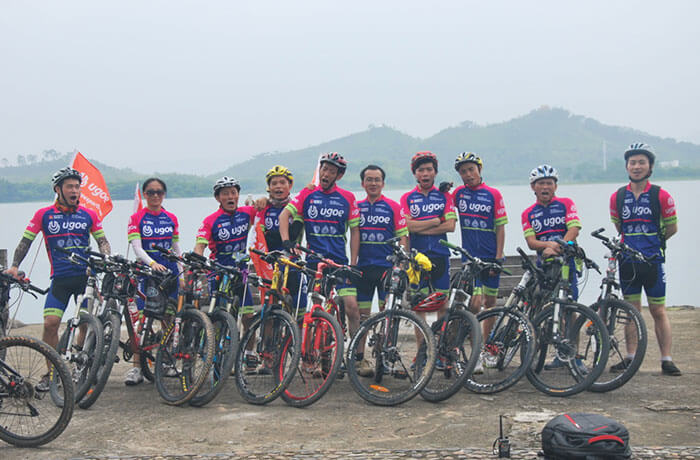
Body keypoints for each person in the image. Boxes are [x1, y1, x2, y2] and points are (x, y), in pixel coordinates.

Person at [4, 167, 111, 390]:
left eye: (77, 186)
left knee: (85, 324)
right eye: (69, 186)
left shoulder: (89, 214)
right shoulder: (43, 215)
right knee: (50, 324)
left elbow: (102, 241)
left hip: (85, 279)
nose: (75, 191)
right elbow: (26, 242)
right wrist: (15, 266)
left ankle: (78, 366)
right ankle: (51, 372)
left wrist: (106, 258)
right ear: (58, 189)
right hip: (60, 280)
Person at [278, 152, 361, 366]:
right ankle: (320, 358)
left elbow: (354, 233)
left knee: (351, 306)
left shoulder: (347, 198)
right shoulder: (308, 193)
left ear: (338, 175)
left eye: (331, 171)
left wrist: (353, 262)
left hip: (339, 261)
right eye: (324, 169)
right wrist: (287, 242)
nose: (326, 173)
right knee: (317, 309)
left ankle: (357, 357)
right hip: (315, 262)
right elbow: (283, 216)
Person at [609, 143, 680, 376]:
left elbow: (672, 228)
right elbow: (620, 227)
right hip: (628, 261)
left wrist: (653, 244)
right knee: (631, 310)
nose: (636, 166)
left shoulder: (661, 195)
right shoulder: (618, 196)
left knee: (658, 310)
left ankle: (666, 359)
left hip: (653, 261)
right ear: (627, 166)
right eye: (632, 162)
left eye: (641, 162)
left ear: (650, 166)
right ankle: (630, 356)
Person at [521, 164, 582, 370]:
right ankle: (546, 354)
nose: (545, 187)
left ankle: (574, 356)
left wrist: (557, 246)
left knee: (569, 308)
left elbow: (574, 229)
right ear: (533, 187)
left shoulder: (566, 204)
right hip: (543, 268)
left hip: (566, 265)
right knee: (540, 310)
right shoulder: (528, 213)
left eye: (549, 183)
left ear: (555, 186)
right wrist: (550, 246)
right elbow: (531, 242)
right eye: (540, 184)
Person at [451, 152, 507, 372]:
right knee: (474, 304)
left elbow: (501, 227)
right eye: (463, 171)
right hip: (469, 259)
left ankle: (485, 348)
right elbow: (443, 204)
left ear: (479, 170)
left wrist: (498, 256)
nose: (467, 174)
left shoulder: (493, 194)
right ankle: (474, 353)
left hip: (490, 257)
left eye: (471, 170)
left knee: (490, 304)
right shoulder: (459, 194)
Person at [195, 177, 258, 370]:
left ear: (238, 195)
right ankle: (216, 352)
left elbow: (266, 208)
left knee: (248, 317)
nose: (230, 196)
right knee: (220, 316)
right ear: (218, 198)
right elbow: (200, 245)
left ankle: (249, 354)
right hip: (219, 272)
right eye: (225, 193)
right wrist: (197, 259)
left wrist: (262, 201)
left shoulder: (247, 213)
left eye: (233, 192)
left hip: (241, 272)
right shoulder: (210, 221)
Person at [125, 178, 181, 385]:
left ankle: (166, 362)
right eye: (150, 192)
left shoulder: (171, 218)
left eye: (159, 192)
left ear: (164, 194)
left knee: (169, 319)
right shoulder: (136, 217)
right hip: (147, 273)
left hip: (169, 272)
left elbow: (176, 248)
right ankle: (136, 368)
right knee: (141, 321)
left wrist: (182, 273)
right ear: (145, 195)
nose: (155, 195)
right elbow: (137, 247)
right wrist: (151, 263)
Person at [355, 164, 408, 376]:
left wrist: (402, 265)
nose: (373, 183)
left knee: (390, 315)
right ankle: (360, 359)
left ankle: (384, 357)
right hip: (364, 268)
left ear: (383, 183)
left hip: (388, 268)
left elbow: (403, 236)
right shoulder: (356, 207)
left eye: (377, 179)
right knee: (363, 316)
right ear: (363, 183)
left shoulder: (394, 207)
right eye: (369, 179)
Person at [400, 151, 457, 301]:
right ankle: (420, 326)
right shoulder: (407, 198)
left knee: (442, 300)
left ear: (435, 172)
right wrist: (436, 221)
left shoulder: (445, 195)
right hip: (417, 256)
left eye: (429, 170)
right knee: (419, 303)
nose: (425, 174)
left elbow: (450, 226)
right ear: (415, 174)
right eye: (420, 170)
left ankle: (441, 326)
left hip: (441, 255)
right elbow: (407, 227)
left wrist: (419, 227)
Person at [255, 165, 307, 317]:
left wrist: (273, 235)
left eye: (282, 182)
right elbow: (261, 236)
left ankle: (296, 337)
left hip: (291, 261)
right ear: (268, 187)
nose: (278, 186)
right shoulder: (264, 208)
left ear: (290, 185)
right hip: (269, 262)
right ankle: (269, 339)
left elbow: (292, 233)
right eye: (274, 183)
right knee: (270, 307)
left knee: (299, 308)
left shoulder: (296, 207)